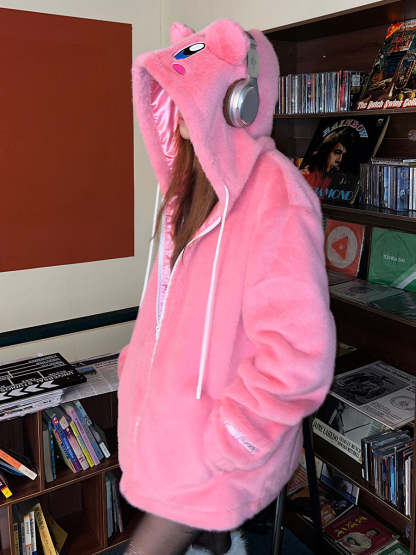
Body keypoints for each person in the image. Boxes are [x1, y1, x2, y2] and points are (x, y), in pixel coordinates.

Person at [117, 18, 336, 555]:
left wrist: (233, 436)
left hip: (214, 455)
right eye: (171, 95)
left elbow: (298, 354)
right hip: (166, 439)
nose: (177, 109)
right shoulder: (186, 193)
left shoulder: (276, 193)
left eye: (190, 94)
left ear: (239, 101)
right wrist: (134, 370)